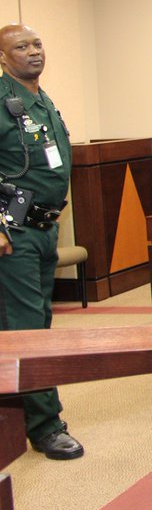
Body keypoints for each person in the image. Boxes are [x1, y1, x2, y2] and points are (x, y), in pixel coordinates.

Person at [0, 23, 83, 460]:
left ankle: (20, 409)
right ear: (2, 55)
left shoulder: (40, 99)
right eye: (20, 47)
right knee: (28, 330)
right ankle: (46, 426)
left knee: (36, 323)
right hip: (13, 233)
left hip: (44, 228)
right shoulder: (0, 100)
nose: (33, 52)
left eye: (36, 44)